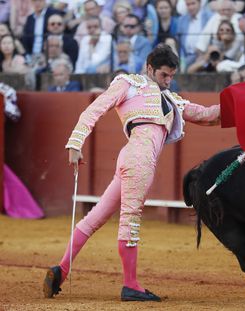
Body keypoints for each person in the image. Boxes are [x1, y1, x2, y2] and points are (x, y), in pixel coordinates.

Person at [42, 44, 221, 302]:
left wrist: (241, 105)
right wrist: (75, 143)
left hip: (133, 159)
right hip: (139, 159)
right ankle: (131, 285)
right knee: (130, 220)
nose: (168, 81)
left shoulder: (172, 99)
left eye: (171, 76)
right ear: (149, 68)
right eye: (163, 75)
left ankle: (61, 269)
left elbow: (207, 115)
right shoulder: (129, 83)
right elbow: (96, 108)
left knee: (96, 217)